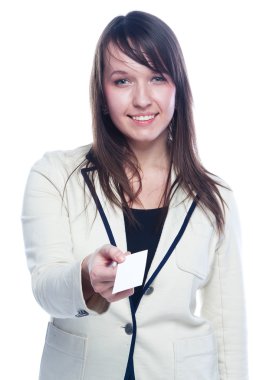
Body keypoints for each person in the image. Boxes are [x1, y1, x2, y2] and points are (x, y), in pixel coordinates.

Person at [21, 10, 248, 380]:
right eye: (123, 80)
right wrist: (85, 278)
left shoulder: (214, 197)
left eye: (157, 77)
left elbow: (227, 327)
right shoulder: (54, 175)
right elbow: (45, 287)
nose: (142, 99)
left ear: (178, 87)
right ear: (102, 91)